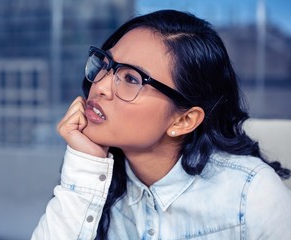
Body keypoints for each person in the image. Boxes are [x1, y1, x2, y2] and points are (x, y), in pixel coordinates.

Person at [31, 9, 291, 240]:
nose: (99, 86)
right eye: (106, 65)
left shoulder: (251, 194)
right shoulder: (98, 174)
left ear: (183, 120)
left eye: (131, 79)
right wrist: (84, 165)